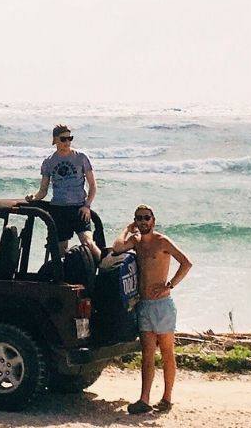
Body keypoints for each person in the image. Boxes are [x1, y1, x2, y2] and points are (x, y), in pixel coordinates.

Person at [106, 205, 191, 414]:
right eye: (139, 218)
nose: (143, 221)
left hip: (162, 305)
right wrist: (127, 228)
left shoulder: (162, 241)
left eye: (146, 218)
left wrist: (169, 285)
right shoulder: (136, 242)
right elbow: (117, 248)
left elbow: (186, 263)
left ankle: (167, 398)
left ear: (153, 220)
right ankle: (144, 399)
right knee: (147, 354)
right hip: (143, 304)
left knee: (167, 352)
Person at [24, 124, 99, 261]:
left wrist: (87, 205)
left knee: (88, 243)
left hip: (78, 208)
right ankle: (63, 278)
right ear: (55, 140)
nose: (67, 142)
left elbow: (93, 186)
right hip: (58, 209)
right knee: (60, 251)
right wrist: (33, 197)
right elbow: (43, 190)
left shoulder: (81, 157)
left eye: (70, 138)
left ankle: (106, 270)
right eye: (63, 139)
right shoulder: (49, 162)